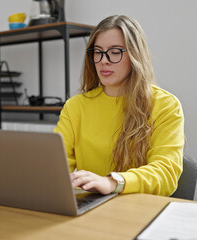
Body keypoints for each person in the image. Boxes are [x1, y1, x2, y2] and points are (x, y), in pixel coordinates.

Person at [53, 15, 185, 196]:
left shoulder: (166, 106)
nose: (103, 60)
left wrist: (112, 182)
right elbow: (55, 168)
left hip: (138, 209)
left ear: (134, 55)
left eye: (115, 52)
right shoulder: (75, 107)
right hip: (89, 209)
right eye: (98, 52)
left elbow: (165, 174)